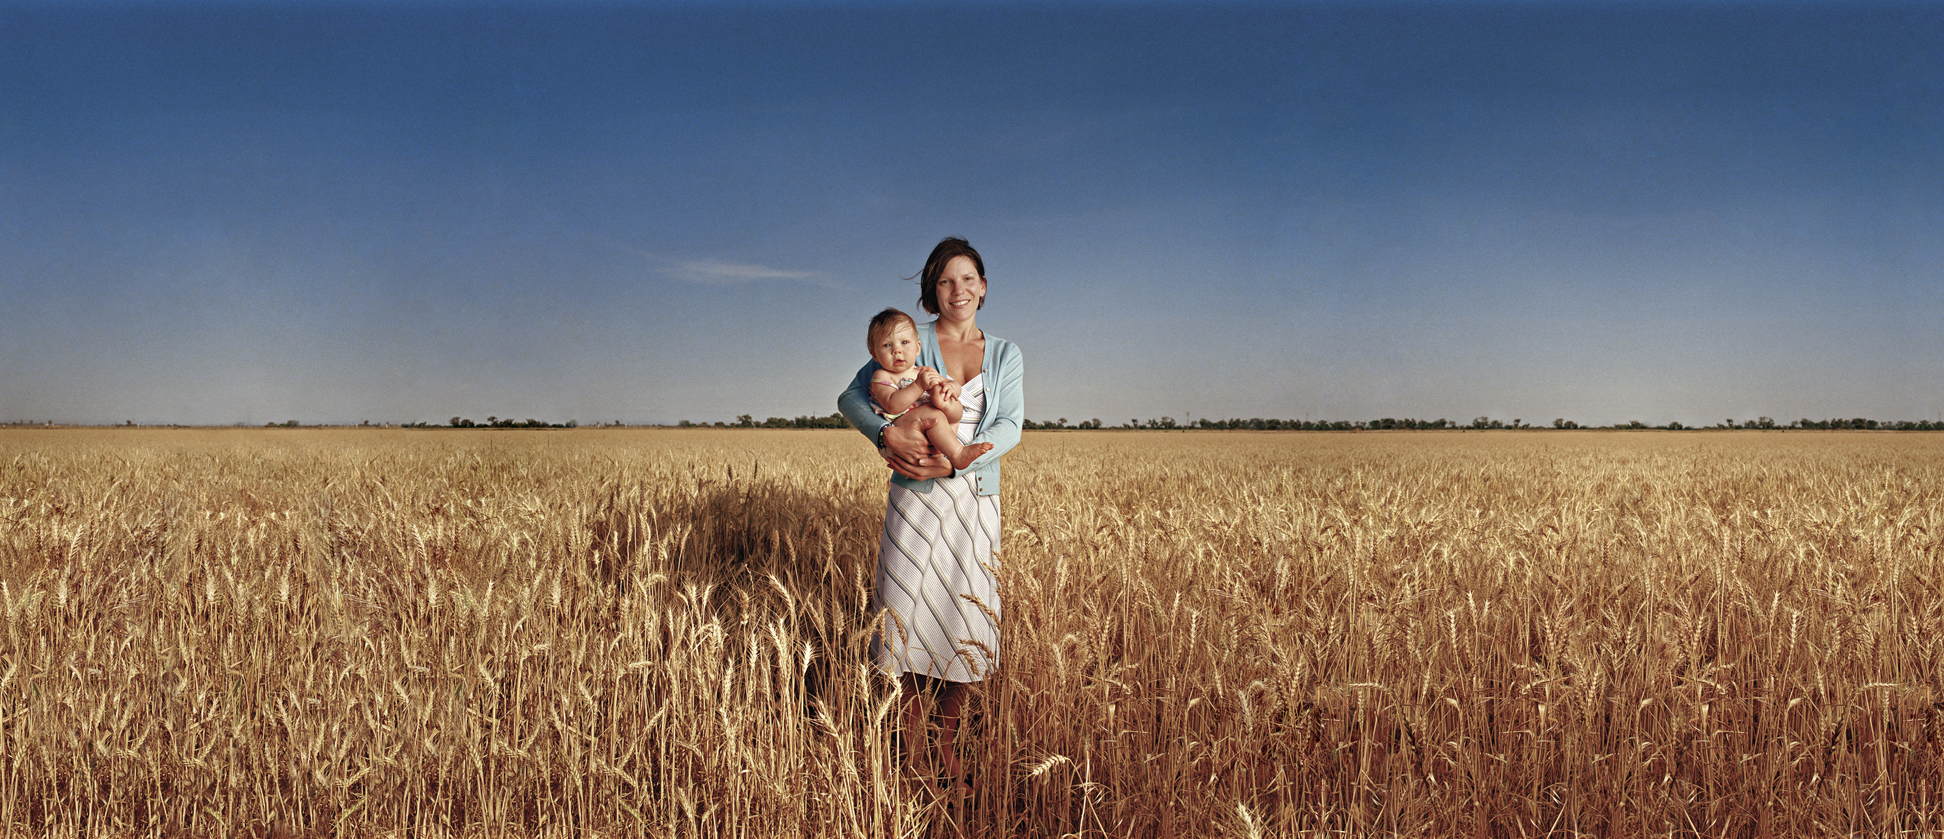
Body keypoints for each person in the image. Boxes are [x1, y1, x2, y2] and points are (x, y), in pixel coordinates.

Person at [837, 237, 1022, 795]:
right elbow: (852, 398)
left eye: (967, 279)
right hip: (915, 502)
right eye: (945, 282)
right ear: (930, 293)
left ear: (984, 287)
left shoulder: (1007, 353)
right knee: (912, 618)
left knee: (965, 621)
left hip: (973, 500)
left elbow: (1009, 425)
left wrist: (953, 467)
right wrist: (885, 433)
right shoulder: (907, 344)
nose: (958, 290)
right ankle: (910, 750)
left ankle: (944, 745)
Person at [864, 307, 994, 473]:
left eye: (904, 343)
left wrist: (949, 387)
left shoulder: (923, 371)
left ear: (918, 348)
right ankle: (958, 453)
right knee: (934, 414)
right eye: (887, 345)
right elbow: (892, 405)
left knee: (954, 407)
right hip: (902, 423)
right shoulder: (881, 376)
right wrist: (918, 386)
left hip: (931, 423)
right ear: (874, 354)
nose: (896, 350)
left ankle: (943, 412)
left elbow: (953, 384)